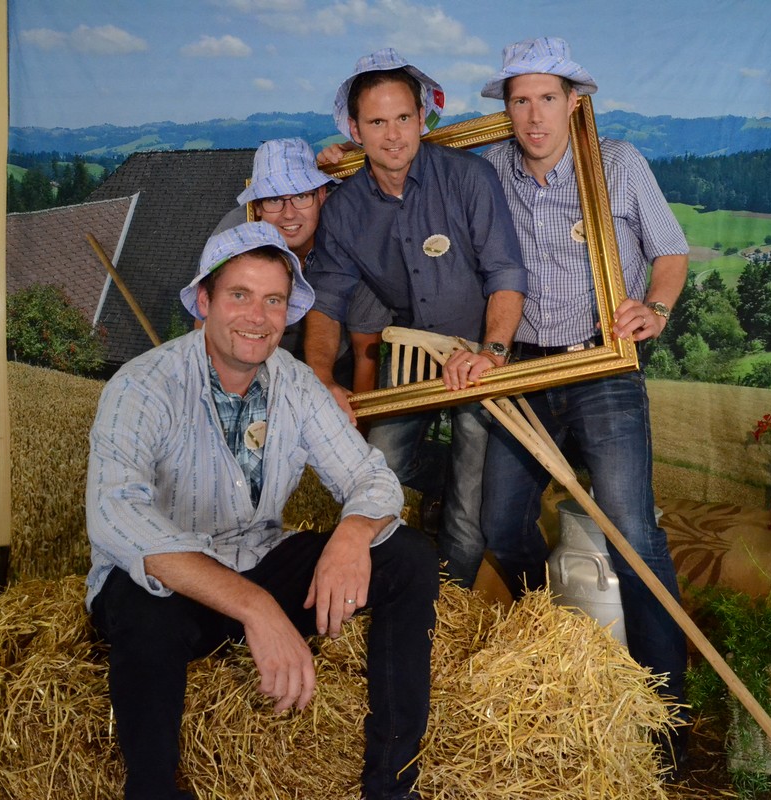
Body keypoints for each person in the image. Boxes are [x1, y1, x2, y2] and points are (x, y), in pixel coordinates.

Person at [86, 221, 439, 800]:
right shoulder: (142, 386)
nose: (258, 316)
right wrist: (257, 608)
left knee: (407, 556)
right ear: (205, 302)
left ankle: (392, 785)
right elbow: (115, 517)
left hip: (260, 557)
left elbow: (370, 477)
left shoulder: (295, 383)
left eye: (274, 300)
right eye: (240, 295)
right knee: (141, 605)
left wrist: (352, 535)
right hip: (176, 590)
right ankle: (152, 790)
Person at [476, 37, 691, 772]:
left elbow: (670, 254)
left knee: (633, 534)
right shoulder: (488, 170)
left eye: (547, 98)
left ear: (574, 102)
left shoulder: (618, 163)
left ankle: (665, 719)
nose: (534, 116)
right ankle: (565, 651)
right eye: (520, 100)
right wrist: (342, 162)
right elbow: (406, 166)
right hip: (523, 371)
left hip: (602, 366)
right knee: (499, 525)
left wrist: (654, 309)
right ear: (506, 109)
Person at [304, 48, 528, 587]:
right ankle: (458, 487)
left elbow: (505, 272)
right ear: (354, 130)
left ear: (422, 116)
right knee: (383, 462)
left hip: (479, 351)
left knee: (469, 502)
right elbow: (326, 301)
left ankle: (450, 596)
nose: (393, 136)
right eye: (377, 122)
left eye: (403, 117)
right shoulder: (344, 210)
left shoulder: (469, 177)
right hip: (410, 350)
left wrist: (492, 352)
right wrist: (319, 376)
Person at [210, 138, 390, 394]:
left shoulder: (352, 237)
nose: (289, 213)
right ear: (257, 206)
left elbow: (366, 352)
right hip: (253, 368)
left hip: (338, 366)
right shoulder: (232, 237)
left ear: (322, 195)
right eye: (274, 199)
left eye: (302, 195)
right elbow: (208, 324)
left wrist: (359, 415)